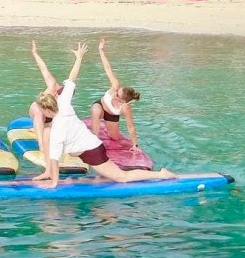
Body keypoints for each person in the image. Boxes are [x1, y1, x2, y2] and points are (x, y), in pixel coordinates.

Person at [33, 42, 174, 188]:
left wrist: (54, 184)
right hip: (86, 145)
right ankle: (47, 172)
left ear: (47, 110)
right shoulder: (63, 101)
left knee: (122, 177)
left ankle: (161, 174)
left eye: (41, 110)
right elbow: (72, 78)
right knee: (47, 133)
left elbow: (55, 159)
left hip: (92, 151)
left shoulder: (58, 129)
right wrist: (79, 58)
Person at [90, 38, 142, 151]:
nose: (114, 93)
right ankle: (93, 139)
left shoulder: (125, 108)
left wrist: (135, 145)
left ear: (123, 101)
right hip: (100, 106)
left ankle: (104, 126)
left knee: (114, 138)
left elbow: (130, 127)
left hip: (111, 115)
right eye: (117, 91)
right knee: (96, 111)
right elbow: (108, 69)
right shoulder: (116, 86)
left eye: (117, 94)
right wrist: (101, 50)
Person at [27, 40, 61, 156]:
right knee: (38, 112)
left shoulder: (65, 98)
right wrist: (35, 53)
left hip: (50, 117)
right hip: (38, 110)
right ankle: (41, 145)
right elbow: (43, 69)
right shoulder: (52, 85)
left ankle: (39, 128)